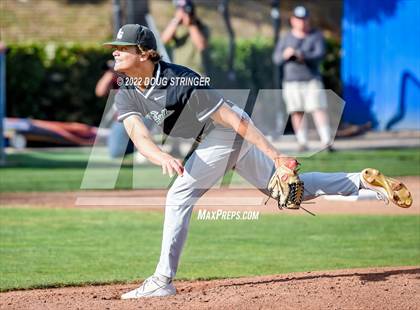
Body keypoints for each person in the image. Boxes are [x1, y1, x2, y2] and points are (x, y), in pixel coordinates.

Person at [103, 24, 412, 299]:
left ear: (144, 53)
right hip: (216, 140)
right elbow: (138, 136)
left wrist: (276, 156)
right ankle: (361, 180)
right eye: (115, 48)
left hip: (227, 132)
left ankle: (162, 280)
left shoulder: (182, 80)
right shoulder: (126, 91)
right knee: (291, 193)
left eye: (123, 48)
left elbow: (233, 119)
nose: (115, 53)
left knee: (179, 195)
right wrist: (161, 156)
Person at [273, 5, 332, 152]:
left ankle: (326, 142)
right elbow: (276, 58)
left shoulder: (315, 35)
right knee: (297, 111)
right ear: (293, 20)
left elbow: (320, 55)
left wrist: (301, 55)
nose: (302, 22)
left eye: (304, 19)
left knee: (318, 109)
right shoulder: (286, 38)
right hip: (291, 81)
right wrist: (286, 54)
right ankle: (302, 142)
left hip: (311, 79)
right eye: (299, 19)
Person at [95, 60, 134, 158]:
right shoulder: (115, 76)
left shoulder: (134, 72)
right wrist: (110, 73)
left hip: (142, 114)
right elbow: (100, 91)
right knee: (115, 150)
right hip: (123, 117)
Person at [161, 0, 209, 75]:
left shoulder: (201, 28)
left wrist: (190, 24)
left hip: (197, 73)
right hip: (178, 72)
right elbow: (164, 40)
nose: (181, 14)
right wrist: (176, 20)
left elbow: (201, 46)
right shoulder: (176, 28)